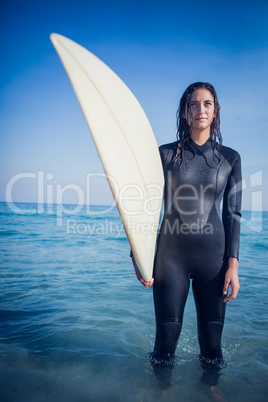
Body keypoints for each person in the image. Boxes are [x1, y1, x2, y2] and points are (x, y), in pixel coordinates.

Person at [131, 82, 242, 387]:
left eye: (207, 103)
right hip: (171, 257)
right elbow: (145, 208)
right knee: (166, 338)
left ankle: (211, 390)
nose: (200, 110)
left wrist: (232, 263)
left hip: (214, 257)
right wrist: (137, 252)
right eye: (193, 104)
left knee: (212, 340)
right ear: (184, 111)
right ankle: (162, 392)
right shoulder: (165, 155)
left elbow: (232, 214)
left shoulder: (230, 158)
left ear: (215, 110)